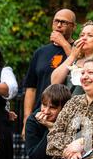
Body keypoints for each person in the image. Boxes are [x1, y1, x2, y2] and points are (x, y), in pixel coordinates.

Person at [22, 9, 76, 139]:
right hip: (41, 114)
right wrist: (26, 120)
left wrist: (63, 43)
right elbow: (31, 88)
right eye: (56, 21)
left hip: (67, 117)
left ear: (73, 27)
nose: (58, 25)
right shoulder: (40, 52)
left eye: (64, 22)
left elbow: (78, 66)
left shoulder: (78, 50)